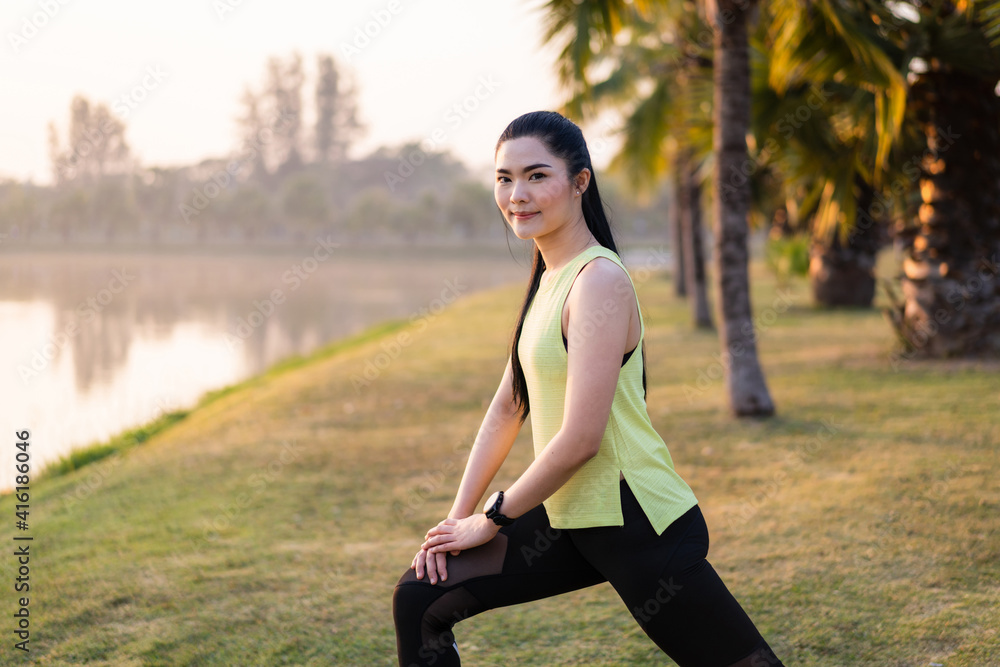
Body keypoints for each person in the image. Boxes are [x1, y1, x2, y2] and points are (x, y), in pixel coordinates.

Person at [392, 110, 785, 667]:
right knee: (421, 597)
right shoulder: (549, 276)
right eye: (504, 179)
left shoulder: (598, 280)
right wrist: (456, 523)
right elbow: (508, 407)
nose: (517, 195)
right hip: (570, 519)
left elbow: (582, 439)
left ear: (580, 182)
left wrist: (493, 518)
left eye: (536, 176)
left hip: (636, 524)